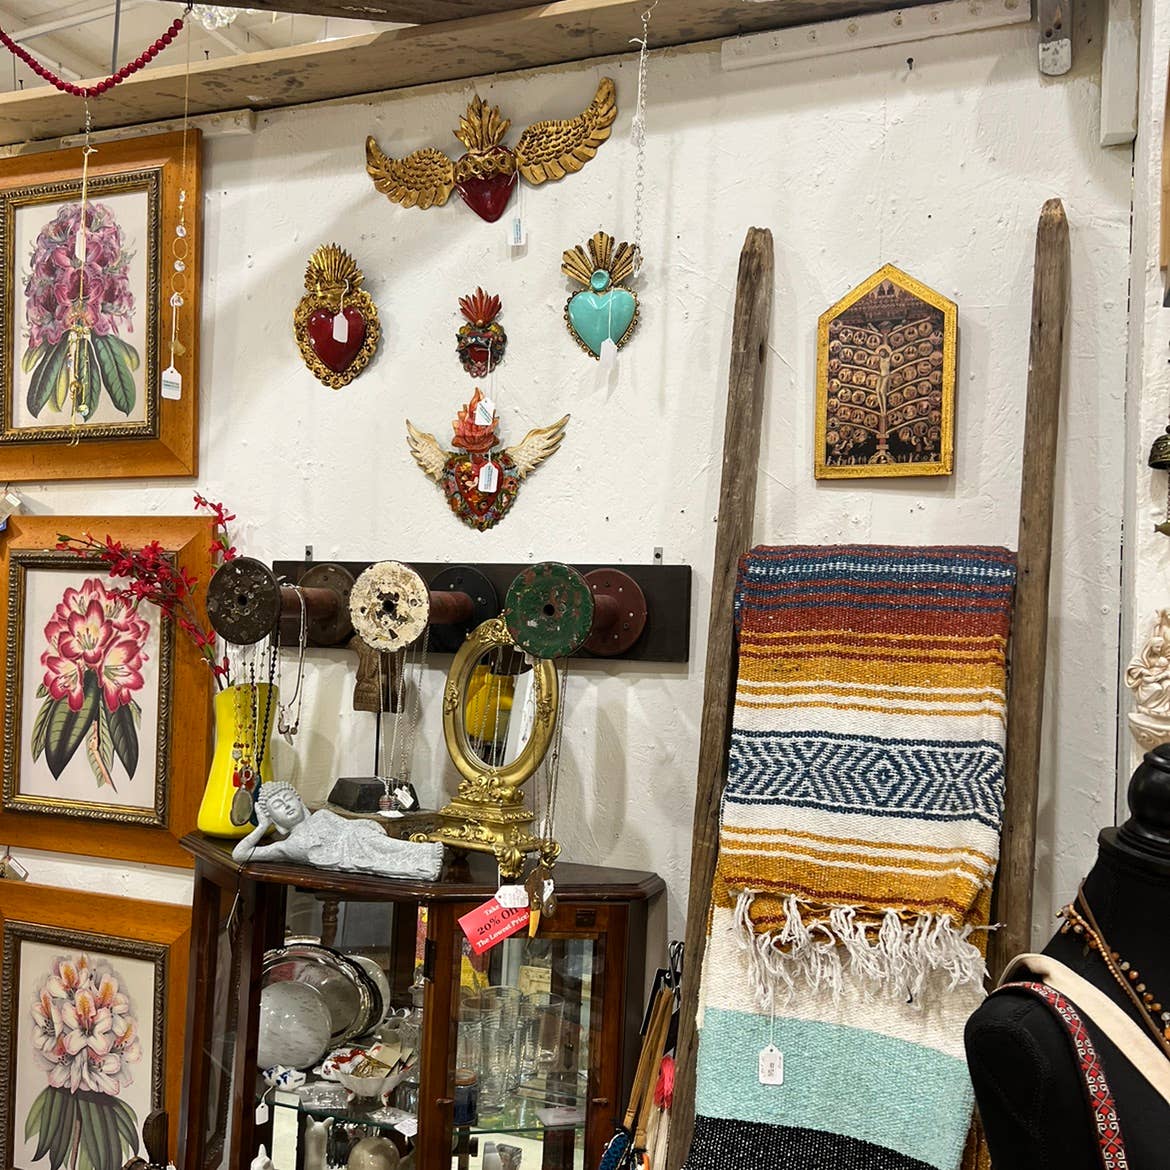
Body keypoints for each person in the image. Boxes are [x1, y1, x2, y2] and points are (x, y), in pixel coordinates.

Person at [231, 781, 444, 880]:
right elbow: (240, 854)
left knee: (384, 845)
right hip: (347, 859)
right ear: (274, 820)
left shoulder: (321, 815)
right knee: (385, 859)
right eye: (278, 806)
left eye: (288, 799)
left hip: (357, 838)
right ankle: (424, 861)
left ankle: (425, 854)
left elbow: (347, 826)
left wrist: (365, 824)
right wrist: (261, 826)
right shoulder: (286, 846)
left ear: (300, 802)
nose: (286, 805)